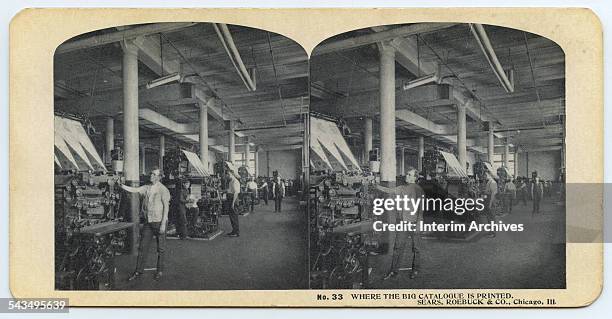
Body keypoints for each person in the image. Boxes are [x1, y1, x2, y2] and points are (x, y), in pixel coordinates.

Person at [374, 167, 424, 280]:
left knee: (416, 248)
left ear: (415, 178)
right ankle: (393, 271)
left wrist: (419, 224)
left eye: (410, 175)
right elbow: (388, 190)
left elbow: (421, 209)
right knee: (397, 247)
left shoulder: (418, 189)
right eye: (407, 174)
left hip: (414, 223)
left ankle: (415, 270)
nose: (407, 176)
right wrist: (375, 184)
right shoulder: (401, 188)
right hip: (403, 224)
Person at [121, 168, 171, 281]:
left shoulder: (163, 190)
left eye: (154, 174)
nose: (151, 175)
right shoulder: (147, 187)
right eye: (151, 173)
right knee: (143, 247)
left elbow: (166, 208)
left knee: (161, 248)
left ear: (159, 177)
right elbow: (134, 190)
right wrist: (122, 185)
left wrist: (163, 224)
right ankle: (138, 271)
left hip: (159, 222)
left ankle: (160, 270)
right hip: (149, 222)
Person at [226, 169, 241, 237]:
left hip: (233, 200)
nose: (227, 175)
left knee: (234, 216)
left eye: (228, 174)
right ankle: (234, 231)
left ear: (232, 174)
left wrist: (233, 203)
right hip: (230, 199)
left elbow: (236, 193)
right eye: (227, 174)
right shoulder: (230, 181)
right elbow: (230, 190)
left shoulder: (235, 181)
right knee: (232, 216)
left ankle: (236, 232)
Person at [483, 169, 498, 238]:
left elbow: (493, 194)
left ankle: (493, 233)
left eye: (485, 175)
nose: (484, 176)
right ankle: (490, 231)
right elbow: (487, 192)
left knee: (492, 217)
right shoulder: (488, 182)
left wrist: (490, 204)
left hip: (491, 201)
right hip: (488, 200)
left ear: (489, 174)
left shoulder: (493, 182)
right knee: (488, 217)